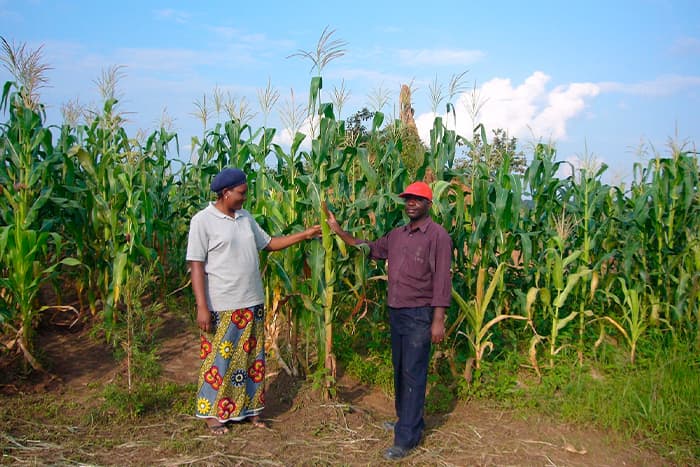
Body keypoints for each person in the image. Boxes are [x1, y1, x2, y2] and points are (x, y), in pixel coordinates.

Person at [186, 167, 321, 435]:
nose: (245, 198)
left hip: (252, 303)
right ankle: (215, 415)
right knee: (220, 362)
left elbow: (269, 243)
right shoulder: (203, 221)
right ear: (226, 193)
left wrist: (304, 235)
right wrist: (202, 306)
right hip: (222, 306)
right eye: (242, 193)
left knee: (250, 362)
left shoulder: (245, 218)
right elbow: (196, 265)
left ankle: (249, 411)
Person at [325, 181, 452, 460]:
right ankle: (406, 422)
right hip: (396, 312)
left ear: (428, 204)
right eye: (407, 199)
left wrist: (438, 320)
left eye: (417, 200)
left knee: (413, 374)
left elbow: (443, 280)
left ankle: (406, 439)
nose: (411, 203)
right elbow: (369, 249)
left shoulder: (438, 236)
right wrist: (339, 232)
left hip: (420, 314)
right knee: (399, 370)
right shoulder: (397, 235)